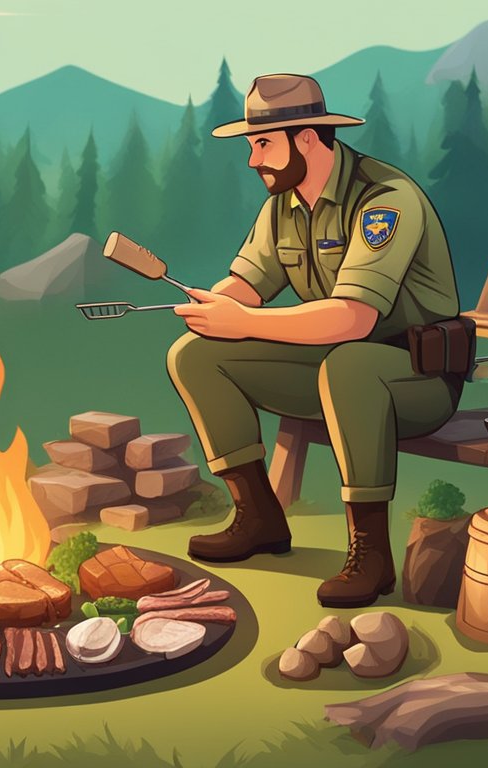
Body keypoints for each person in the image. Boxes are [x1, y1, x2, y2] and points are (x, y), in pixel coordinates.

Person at [167, 73, 462, 608]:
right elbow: (250, 284)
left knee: (351, 365)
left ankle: (370, 555)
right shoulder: (284, 202)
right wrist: (218, 303)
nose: (253, 160)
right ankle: (258, 517)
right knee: (196, 354)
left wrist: (245, 322)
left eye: (262, 144)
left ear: (306, 137)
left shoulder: (385, 199)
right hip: (329, 368)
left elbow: (354, 319)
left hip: (415, 378)